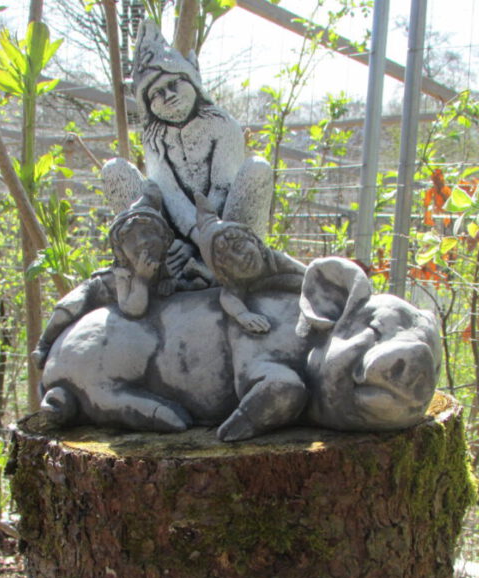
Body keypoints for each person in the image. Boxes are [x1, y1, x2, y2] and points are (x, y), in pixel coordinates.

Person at [102, 20, 272, 281]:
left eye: (175, 84)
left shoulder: (222, 124)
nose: (169, 95)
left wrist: (200, 245)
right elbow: (170, 195)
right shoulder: (154, 138)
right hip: (173, 238)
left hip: (224, 229)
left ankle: (228, 268)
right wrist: (174, 244)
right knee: (115, 170)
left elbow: (221, 190)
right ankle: (157, 265)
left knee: (257, 169)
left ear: (192, 82)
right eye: (157, 93)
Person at [31, 184, 176, 369]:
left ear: (165, 239)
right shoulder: (123, 275)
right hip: (97, 290)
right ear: (121, 252)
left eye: (148, 233)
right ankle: (44, 344)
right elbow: (133, 309)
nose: (142, 242)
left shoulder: (160, 266)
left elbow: (170, 281)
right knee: (67, 309)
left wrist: (169, 283)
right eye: (132, 239)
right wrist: (140, 279)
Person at [191, 194, 306, 335]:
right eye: (228, 261)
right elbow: (228, 297)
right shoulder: (238, 282)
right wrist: (243, 315)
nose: (240, 259)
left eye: (239, 246)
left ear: (254, 240)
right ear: (225, 274)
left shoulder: (276, 259)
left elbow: (308, 275)